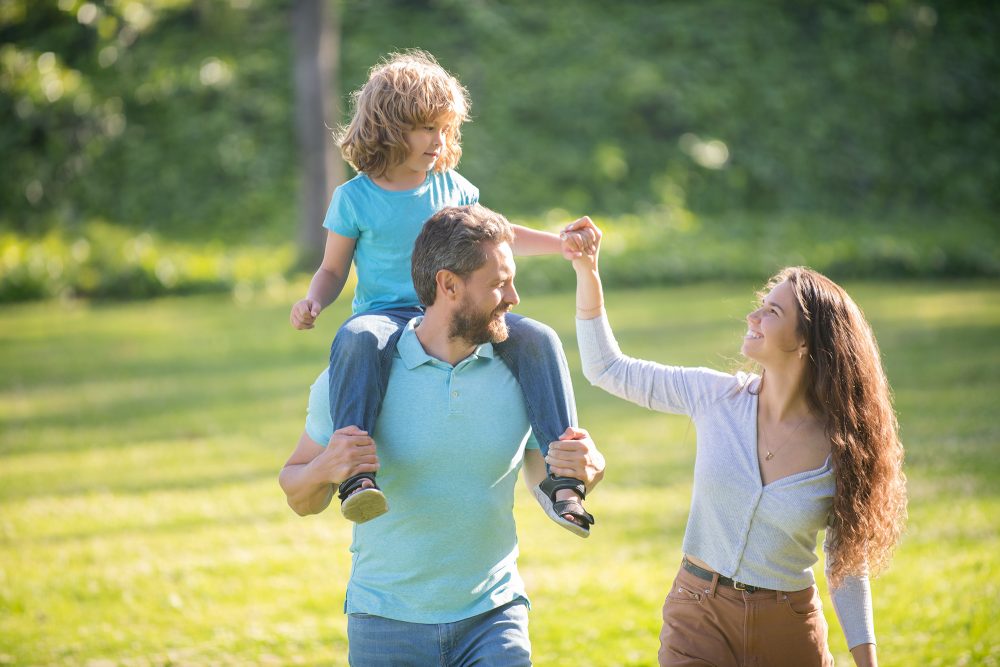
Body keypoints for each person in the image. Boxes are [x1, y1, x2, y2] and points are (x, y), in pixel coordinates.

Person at [279, 204, 606, 666]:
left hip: (494, 617)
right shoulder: (358, 373)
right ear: (449, 285)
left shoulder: (521, 370)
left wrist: (588, 467)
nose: (514, 297)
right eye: (498, 284)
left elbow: (542, 477)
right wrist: (325, 468)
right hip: (384, 622)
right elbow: (298, 495)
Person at [288, 50, 597, 534]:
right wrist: (313, 301)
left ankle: (564, 479)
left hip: (460, 307)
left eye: (445, 129)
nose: (439, 140)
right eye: (427, 128)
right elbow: (332, 269)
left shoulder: (452, 187)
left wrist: (559, 243)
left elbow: (500, 234)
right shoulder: (354, 198)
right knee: (357, 338)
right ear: (390, 127)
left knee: (537, 337)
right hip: (387, 315)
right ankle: (357, 478)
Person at [568, 229, 906, 667]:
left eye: (771, 311)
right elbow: (606, 368)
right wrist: (587, 271)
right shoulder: (715, 397)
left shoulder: (841, 447)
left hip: (789, 626)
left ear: (805, 342)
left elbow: (847, 565)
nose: (753, 316)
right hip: (698, 614)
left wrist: (867, 662)